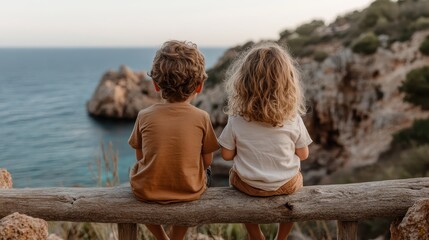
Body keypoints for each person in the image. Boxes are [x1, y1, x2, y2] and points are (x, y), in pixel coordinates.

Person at [218, 42, 312, 240]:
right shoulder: (293, 118)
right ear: (287, 82)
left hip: (248, 186)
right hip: (286, 185)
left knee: (233, 176)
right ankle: (282, 236)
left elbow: (226, 155)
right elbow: (303, 154)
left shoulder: (236, 119)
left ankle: (255, 234)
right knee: (299, 179)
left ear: (243, 82)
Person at [128, 40, 219, 240]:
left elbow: (140, 155)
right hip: (190, 190)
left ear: (155, 84)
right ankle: (176, 237)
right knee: (206, 173)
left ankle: (162, 237)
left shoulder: (144, 115)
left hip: (147, 191)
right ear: (199, 86)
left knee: (134, 174)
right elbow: (208, 161)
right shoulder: (202, 117)